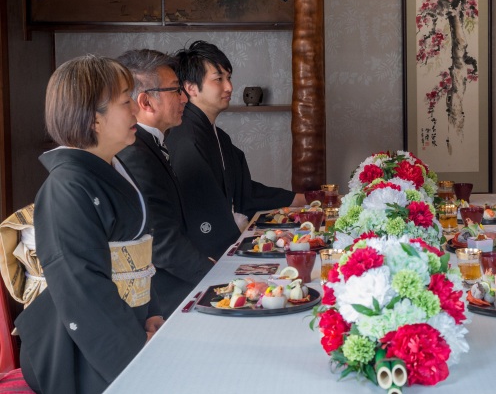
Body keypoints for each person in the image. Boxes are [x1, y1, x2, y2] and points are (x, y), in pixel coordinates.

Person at [15, 55, 163, 394]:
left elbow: (138, 261)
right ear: (93, 119)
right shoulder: (67, 187)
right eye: (126, 102)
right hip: (84, 347)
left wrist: (150, 313)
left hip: (129, 321)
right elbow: (82, 288)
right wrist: (133, 352)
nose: (134, 112)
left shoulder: (110, 169)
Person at [166, 40, 304, 259]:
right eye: (218, 79)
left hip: (224, 241)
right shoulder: (186, 139)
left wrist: (296, 199)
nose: (229, 87)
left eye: (228, 78)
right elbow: (200, 210)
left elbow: (243, 190)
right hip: (204, 254)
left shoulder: (216, 136)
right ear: (190, 87)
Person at [116, 49, 214, 317]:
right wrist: (214, 277)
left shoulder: (151, 144)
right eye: (175, 90)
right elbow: (160, 239)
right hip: (163, 296)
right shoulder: (134, 153)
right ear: (146, 101)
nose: (184, 98)